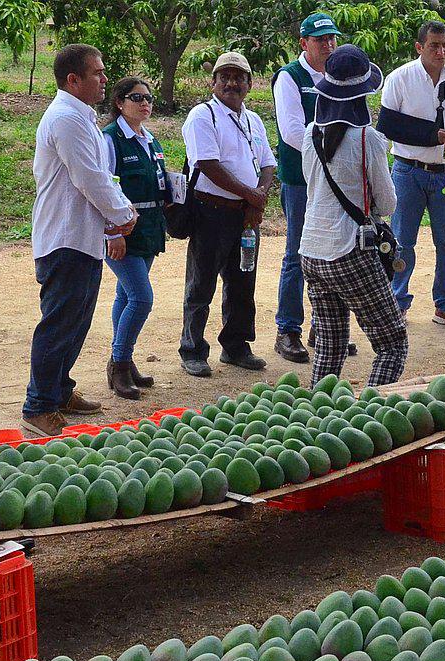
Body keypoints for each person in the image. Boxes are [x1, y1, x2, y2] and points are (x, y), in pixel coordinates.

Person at [24, 44, 137, 436]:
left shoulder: (80, 116)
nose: (105, 79)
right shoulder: (66, 119)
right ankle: (38, 405)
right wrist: (123, 214)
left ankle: (58, 390)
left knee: (76, 322)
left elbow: (100, 178)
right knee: (59, 324)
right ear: (73, 80)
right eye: (98, 73)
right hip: (65, 237)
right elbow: (89, 178)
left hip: (81, 237)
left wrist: (113, 217)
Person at [299, 45, 409, 386]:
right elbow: (387, 205)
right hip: (350, 253)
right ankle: (368, 415)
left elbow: (311, 185)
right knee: (392, 345)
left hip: (312, 251)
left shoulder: (310, 134)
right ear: (363, 95)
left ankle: (317, 416)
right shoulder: (368, 139)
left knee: (329, 348)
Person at [179, 52, 277, 377]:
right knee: (201, 285)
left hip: (245, 216)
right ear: (214, 82)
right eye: (226, 77)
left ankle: (235, 347)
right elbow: (207, 164)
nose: (232, 83)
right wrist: (252, 195)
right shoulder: (202, 116)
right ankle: (192, 350)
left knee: (242, 284)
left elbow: (268, 164)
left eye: (239, 77)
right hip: (211, 212)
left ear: (250, 84)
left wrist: (257, 199)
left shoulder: (254, 119)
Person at [380, 20, 445, 331]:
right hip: (408, 171)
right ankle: (396, 302)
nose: (442, 50)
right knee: (402, 240)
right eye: (434, 45)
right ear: (419, 47)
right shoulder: (400, 79)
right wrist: (433, 136)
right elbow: (389, 127)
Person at [272, 12, 343, 364]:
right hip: (302, 179)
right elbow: (290, 132)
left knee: (332, 250)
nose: (328, 45)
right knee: (297, 253)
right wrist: (330, 153)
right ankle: (287, 330)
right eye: (320, 40)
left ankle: (324, 326)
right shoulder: (289, 77)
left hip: (332, 179)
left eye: (332, 38)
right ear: (303, 43)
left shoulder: (339, 74)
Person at [101, 77, 171, 400]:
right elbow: (105, 187)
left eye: (149, 98)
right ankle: (119, 362)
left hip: (148, 231)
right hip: (123, 234)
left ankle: (123, 361)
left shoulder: (149, 139)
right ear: (119, 102)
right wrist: (113, 231)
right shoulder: (111, 139)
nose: (146, 103)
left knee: (126, 296)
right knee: (141, 298)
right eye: (137, 97)